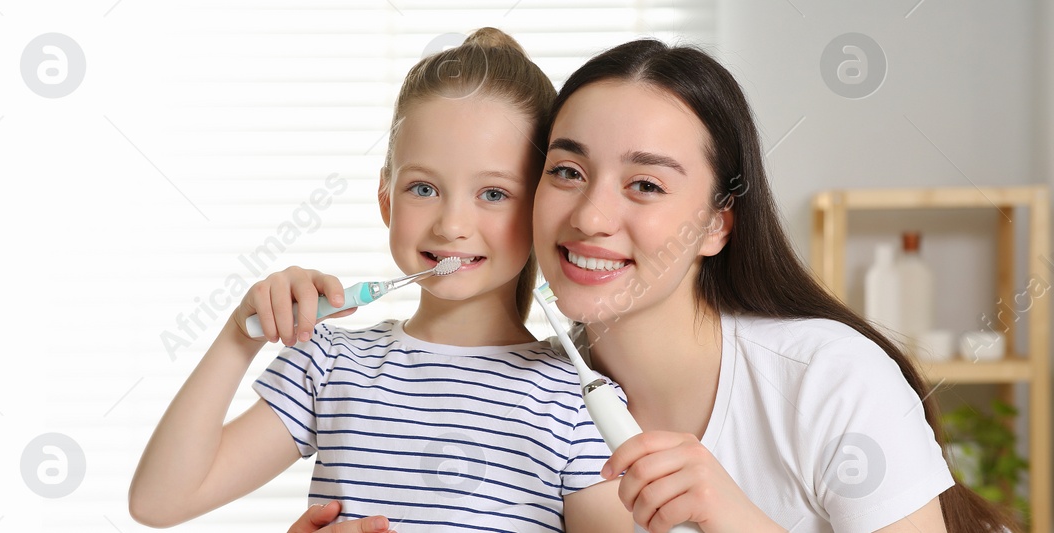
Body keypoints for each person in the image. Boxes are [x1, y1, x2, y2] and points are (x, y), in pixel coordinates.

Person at [298, 39, 1022, 533]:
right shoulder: (533, 398)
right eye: (567, 171)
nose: (591, 215)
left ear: (716, 226)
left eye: (645, 184)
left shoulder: (830, 379)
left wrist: (739, 518)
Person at [130, 28, 629, 532]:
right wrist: (239, 337)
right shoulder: (328, 365)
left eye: (494, 194)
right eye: (424, 187)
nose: (451, 225)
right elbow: (159, 501)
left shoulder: (580, 404)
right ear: (386, 200)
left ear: (540, 211)